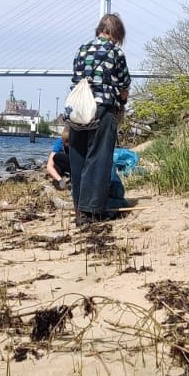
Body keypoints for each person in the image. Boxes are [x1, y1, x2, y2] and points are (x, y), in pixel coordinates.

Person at [68, 14, 131, 225]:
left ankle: (78, 207)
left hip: (78, 109)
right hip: (102, 108)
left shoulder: (82, 49)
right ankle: (92, 210)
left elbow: (75, 78)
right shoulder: (115, 52)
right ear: (116, 33)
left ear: (99, 29)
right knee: (99, 156)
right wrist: (122, 103)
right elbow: (123, 85)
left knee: (78, 155)